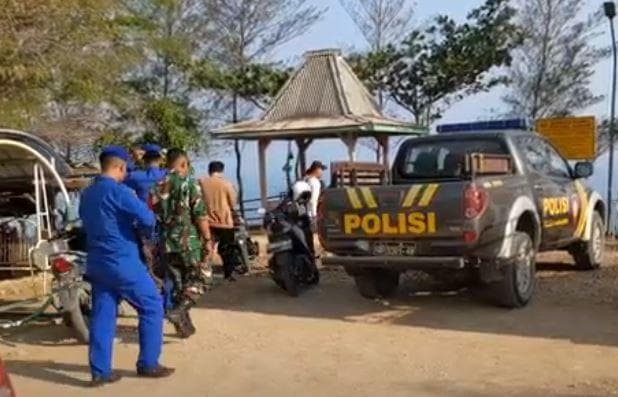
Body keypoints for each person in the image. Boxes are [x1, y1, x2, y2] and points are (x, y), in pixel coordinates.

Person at [79, 145, 174, 386]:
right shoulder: (119, 192)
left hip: (97, 262)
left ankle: (100, 372)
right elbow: (147, 218)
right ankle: (148, 364)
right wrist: (146, 237)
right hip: (123, 261)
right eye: (125, 170)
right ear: (119, 167)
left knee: (103, 313)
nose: (125, 175)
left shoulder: (87, 194)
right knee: (152, 305)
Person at [151, 149, 212, 338]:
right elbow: (200, 214)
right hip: (188, 240)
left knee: (178, 284)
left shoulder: (156, 187)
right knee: (202, 278)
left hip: (167, 241)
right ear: (184, 164)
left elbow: (154, 213)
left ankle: (184, 327)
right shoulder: (189, 184)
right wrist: (208, 239)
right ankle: (178, 312)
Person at [199, 161, 239, 281]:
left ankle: (205, 273)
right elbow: (233, 203)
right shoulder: (226, 184)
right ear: (222, 170)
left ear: (209, 170)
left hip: (206, 221)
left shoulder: (201, 183)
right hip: (225, 222)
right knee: (228, 249)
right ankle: (229, 273)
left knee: (207, 248)